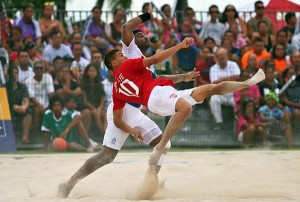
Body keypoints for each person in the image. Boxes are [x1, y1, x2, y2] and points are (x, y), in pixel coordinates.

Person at [57, 5, 198, 198]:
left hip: (132, 112)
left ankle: (151, 182)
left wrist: (184, 77)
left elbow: (158, 78)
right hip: (123, 111)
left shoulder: (140, 61)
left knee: (160, 146)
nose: (146, 37)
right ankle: (70, 184)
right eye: (141, 36)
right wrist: (148, 15)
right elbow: (125, 28)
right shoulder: (129, 52)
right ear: (132, 41)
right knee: (107, 156)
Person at [105, 38, 265, 166]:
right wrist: (180, 45)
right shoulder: (128, 66)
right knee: (186, 108)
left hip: (160, 95)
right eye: (121, 55)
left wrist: (183, 77)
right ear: (114, 63)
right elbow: (156, 58)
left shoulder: (116, 88)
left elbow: (118, 119)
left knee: (211, 89)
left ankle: (247, 83)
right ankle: (160, 146)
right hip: (157, 95)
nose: (125, 56)